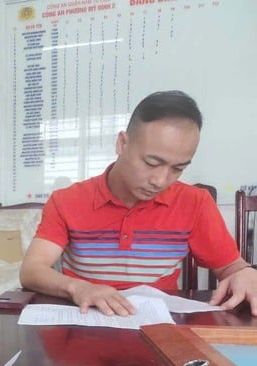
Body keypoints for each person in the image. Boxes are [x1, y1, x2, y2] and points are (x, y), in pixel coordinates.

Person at [20, 90, 257, 316]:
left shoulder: (195, 202)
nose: (160, 180)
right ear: (122, 144)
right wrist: (79, 288)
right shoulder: (67, 201)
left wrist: (245, 273)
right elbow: (32, 270)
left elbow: (231, 267)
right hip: (86, 321)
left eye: (178, 168)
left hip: (159, 326)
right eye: (151, 163)